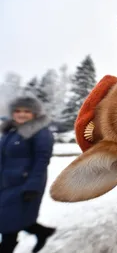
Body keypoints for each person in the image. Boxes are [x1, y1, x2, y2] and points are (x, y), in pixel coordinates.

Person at [0, 97, 56, 253]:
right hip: (5, 184)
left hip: (24, 185)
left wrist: (32, 186)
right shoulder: (11, 131)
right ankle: (42, 232)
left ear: (35, 113)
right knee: (13, 218)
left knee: (8, 224)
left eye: (26, 111)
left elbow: (42, 161)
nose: (21, 114)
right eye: (17, 111)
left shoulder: (41, 133)